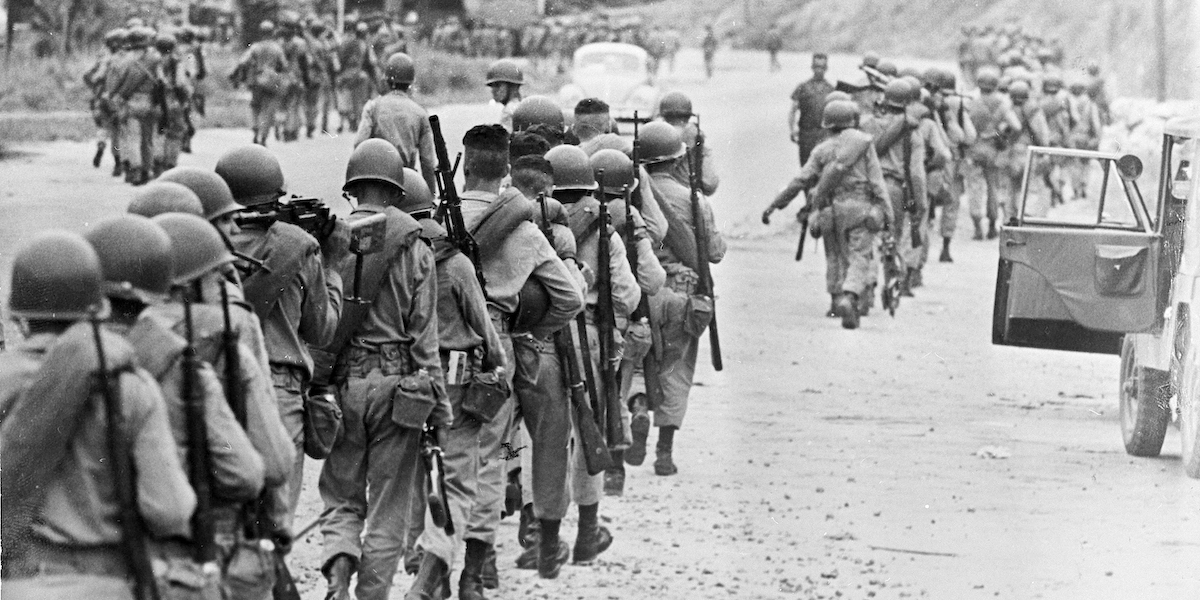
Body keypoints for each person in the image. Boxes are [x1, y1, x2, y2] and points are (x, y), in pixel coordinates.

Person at [0, 230, 196, 598]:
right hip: (108, 585)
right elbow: (169, 510)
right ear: (99, 308)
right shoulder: (130, 386)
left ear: (19, 318)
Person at [318, 140, 448, 600]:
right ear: (396, 190)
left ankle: (337, 569)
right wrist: (438, 402)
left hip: (344, 387)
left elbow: (320, 321)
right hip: (399, 389)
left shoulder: (330, 240)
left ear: (353, 189)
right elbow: (424, 336)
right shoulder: (415, 246)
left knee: (341, 492)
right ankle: (371, 594)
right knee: (390, 503)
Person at [458, 124, 584, 599]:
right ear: (505, 171)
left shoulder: (435, 221)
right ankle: (510, 552)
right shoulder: (524, 227)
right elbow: (570, 299)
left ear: (464, 165)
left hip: (445, 345)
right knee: (512, 450)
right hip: (504, 346)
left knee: (458, 454)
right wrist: (531, 329)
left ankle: (469, 558)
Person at [216, 145, 351, 535]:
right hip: (280, 392)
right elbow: (322, 330)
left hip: (217, 382)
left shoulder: (204, 247)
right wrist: (333, 266)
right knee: (275, 522)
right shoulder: (297, 245)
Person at [400, 166, 507, 599]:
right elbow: (484, 328)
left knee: (414, 477)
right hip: (457, 382)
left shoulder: (394, 256)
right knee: (456, 481)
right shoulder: (456, 262)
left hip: (408, 380)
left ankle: (422, 565)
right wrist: (498, 366)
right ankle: (431, 572)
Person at [546, 144, 641, 565]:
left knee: (541, 438)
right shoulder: (605, 229)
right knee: (590, 432)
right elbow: (627, 293)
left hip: (542, 337)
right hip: (588, 339)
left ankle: (540, 532)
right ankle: (587, 531)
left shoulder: (533, 224)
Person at [636, 121, 725, 474]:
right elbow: (714, 252)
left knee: (638, 358)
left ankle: (639, 406)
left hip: (642, 290)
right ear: (677, 161)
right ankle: (664, 452)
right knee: (676, 368)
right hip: (684, 292)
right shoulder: (694, 200)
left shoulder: (633, 192)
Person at [763, 100, 892, 327]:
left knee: (836, 255)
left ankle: (836, 297)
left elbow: (800, 181)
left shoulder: (821, 150)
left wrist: (775, 205)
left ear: (827, 124)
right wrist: (887, 213)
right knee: (859, 256)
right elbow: (877, 182)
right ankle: (851, 295)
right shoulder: (863, 145)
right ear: (852, 122)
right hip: (861, 206)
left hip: (832, 210)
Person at [354, 52, 438, 194]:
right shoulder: (420, 113)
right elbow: (428, 162)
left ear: (386, 81)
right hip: (406, 182)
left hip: (376, 182)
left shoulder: (373, 107)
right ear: (410, 84)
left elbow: (359, 144)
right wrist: (430, 196)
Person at [966, 66, 1020, 239]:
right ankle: (992, 226)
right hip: (993, 151)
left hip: (974, 149)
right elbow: (1016, 126)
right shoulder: (1002, 103)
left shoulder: (970, 100)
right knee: (993, 188)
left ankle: (976, 227)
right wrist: (1001, 136)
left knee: (975, 188)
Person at [105, 26, 163, 186]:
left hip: (131, 102)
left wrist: (114, 98)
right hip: (150, 102)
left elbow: (114, 84)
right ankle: (147, 169)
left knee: (133, 138)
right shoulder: (155, 59)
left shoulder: (124, 60)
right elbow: (161, 80)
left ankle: (135, 171)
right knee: (148, 138)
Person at [231, 20, 288, 146]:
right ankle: (264, 136)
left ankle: (256, 128)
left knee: (255, 107)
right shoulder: (277, 48)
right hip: (272, 81)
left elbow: (243, 62)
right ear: (273, 32)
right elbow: (284, 65)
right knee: (269, 110)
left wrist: (235, 74)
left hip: (257, 80)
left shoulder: (255, 47)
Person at [1001, 80, 1049, 218]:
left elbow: (1001, 132)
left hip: (1011, 152)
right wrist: (1044, 151)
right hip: (1030, 152)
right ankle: (1027, 216)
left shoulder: (1007, 109)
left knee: (1011, 187)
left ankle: (1010, 218)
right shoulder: (1034, 110)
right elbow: (1042, 133)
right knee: (1031, 186)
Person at [658, 91, 719, 197]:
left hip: (656, 198)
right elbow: (710, 184)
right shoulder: (697, 139)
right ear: (688, 116)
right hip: (688, 200)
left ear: (664, 116)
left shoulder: (653, 138)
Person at [84, 28, 126, 176]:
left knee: (102, 126)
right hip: (120, 99)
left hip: (102, 98)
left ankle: (101, 144)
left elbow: (90, 76)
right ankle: (118, 163)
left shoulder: (104, 59)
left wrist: (96, 89)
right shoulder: (127, 59)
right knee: (117, 133)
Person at [790, 53, 835, 169]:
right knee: (805, 167)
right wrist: (792, 129)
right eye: (816, 67)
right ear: (812, 68)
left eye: (822, 67)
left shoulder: (831, 89)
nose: (819, 70)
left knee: (822, 169)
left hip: (824, 135)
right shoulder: (803, 87)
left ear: (826, 69)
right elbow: (793, 110)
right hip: (806, 134)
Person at [336, 22, 377, 133]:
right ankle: (357, 121)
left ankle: (345, 122)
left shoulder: (347, 42)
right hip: (359, 74)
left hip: (346, 74)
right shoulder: (364, 45)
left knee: (346, 98)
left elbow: (340, 59)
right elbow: (371, 62)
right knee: (359, 99)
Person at [1066, 76, 1102, 199]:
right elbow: (1096, 123)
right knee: (1085, 164)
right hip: (1086, 138)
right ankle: (1084, 186)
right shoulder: (1090, 104)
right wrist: (1097, 138)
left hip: (1072, 138)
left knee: (1074, 165)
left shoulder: (1067, 102)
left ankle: (1076, 189)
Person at [486, 58, 525, 131]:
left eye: (497, 85)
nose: (493, 90)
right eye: (492, 86)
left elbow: (504, 140)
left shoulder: (509, 112)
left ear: (512, 86)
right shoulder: (523, 105)